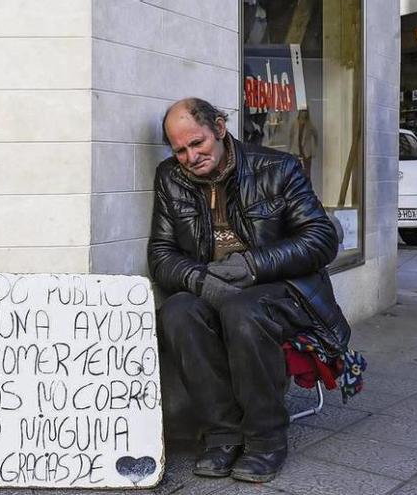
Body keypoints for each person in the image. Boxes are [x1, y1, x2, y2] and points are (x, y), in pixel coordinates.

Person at [148, 98, 350, 482]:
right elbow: (161, 254)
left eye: (198, 144)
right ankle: (222, 432)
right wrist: (199, 280)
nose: (190, 157)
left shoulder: (278, 167)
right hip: (213, 283)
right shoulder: (169, 177)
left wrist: (253, 264)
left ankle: (265, 438)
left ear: (220, 128)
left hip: (282, 287)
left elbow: (322, 238)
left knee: (243, 310)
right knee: (177, 312)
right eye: (181, 150)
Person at [288, 109, 318, 181]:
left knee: (307, 173)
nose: (304, 113)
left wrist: (314, 148)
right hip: (296, 151)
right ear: (299, 112)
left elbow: (315, 135)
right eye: (302, 111)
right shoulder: (295, 123)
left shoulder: (309, 124)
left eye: (305, 111)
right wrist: (290, 148)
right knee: (296, 172)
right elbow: (290, 136)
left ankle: (307, 188)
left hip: (306, 152)